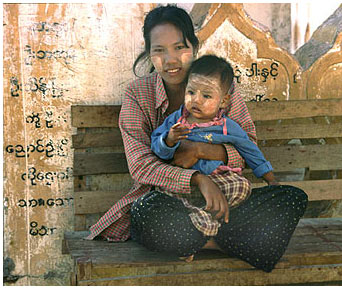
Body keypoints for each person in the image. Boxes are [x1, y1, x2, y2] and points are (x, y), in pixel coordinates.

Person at [86, 4, 308, 273]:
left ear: (193, 45)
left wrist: (201, 151)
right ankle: (233, 243)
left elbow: (247, 142)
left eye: (180, 47)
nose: (171, 60)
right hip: (171, 204)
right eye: (159, 50)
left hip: (226, 202)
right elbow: (140, 166)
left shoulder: (219, 85)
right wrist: (197, 179)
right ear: (149, 53)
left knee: (291, 197)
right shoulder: (137, 95)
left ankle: (200, 243)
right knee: (145, 212)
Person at [151, 55, 279, 251]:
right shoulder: (175, 121)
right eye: (191, 92)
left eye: (207, 96)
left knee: (242, 186)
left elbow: (250, 151)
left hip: (218, 184)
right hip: (183, 183)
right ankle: (200, 223)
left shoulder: (228, 127)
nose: (196, 100)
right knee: (160, 197)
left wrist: (270, 178)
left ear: (224, 101)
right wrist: (169, 139)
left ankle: (200, 221)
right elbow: (157, 148)